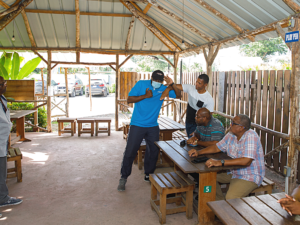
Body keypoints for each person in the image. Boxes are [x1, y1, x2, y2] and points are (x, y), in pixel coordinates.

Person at [118, 70, 180, 191]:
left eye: (160, 81)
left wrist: (172, 84)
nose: (157, 82)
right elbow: (129, 99)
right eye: (155, 80)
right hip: (137, 124)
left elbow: (178, 95)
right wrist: (145, 96)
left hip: (152, 125)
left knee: (153, 151)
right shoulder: (141, 84)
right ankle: (123, 177)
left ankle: (149, 173)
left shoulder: (163, 88)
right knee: (130, 151)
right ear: (151, 78)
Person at [188, 114, 265, 200]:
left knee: (231, 198)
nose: (230, 124)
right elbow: (217, 147)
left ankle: (224, 206)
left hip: (249, 175)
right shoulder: (231, 134)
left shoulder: (251, 136)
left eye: (233, 123)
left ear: (241, 127)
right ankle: (219, 203)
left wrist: (220, 162)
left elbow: (246, 161)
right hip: (232, 171)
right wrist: (199, 152)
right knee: (206, 178)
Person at [0, 76, 23, 216]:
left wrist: (7, 141)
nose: (5, 85)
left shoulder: (2, 99)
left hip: (1, 142)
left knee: (1, 173)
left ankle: (3, 198)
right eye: (3, 84)